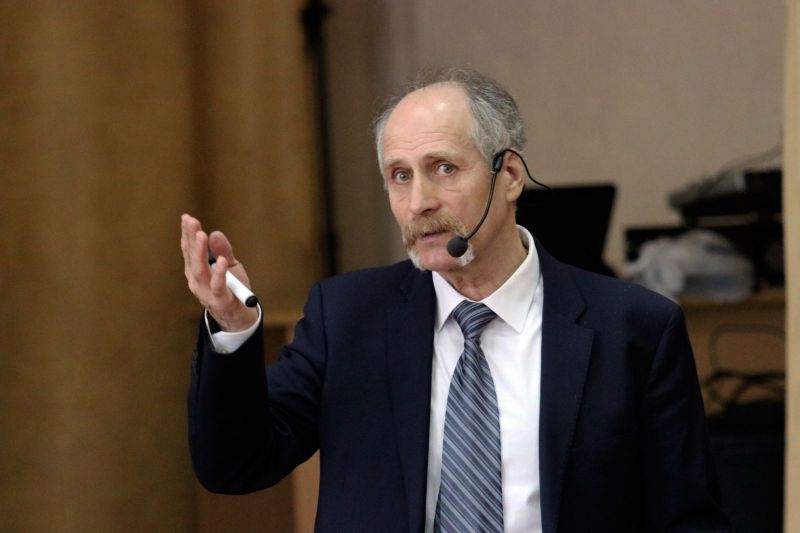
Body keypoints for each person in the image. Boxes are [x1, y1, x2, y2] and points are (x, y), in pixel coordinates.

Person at [181, 68, 729, 532]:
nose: (419, 202)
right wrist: (232, 326)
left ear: (508, 175)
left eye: (443, 168)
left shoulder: (634, 329)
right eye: (400, 176)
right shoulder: (347, 317)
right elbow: (236, 465)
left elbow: (688, 518)